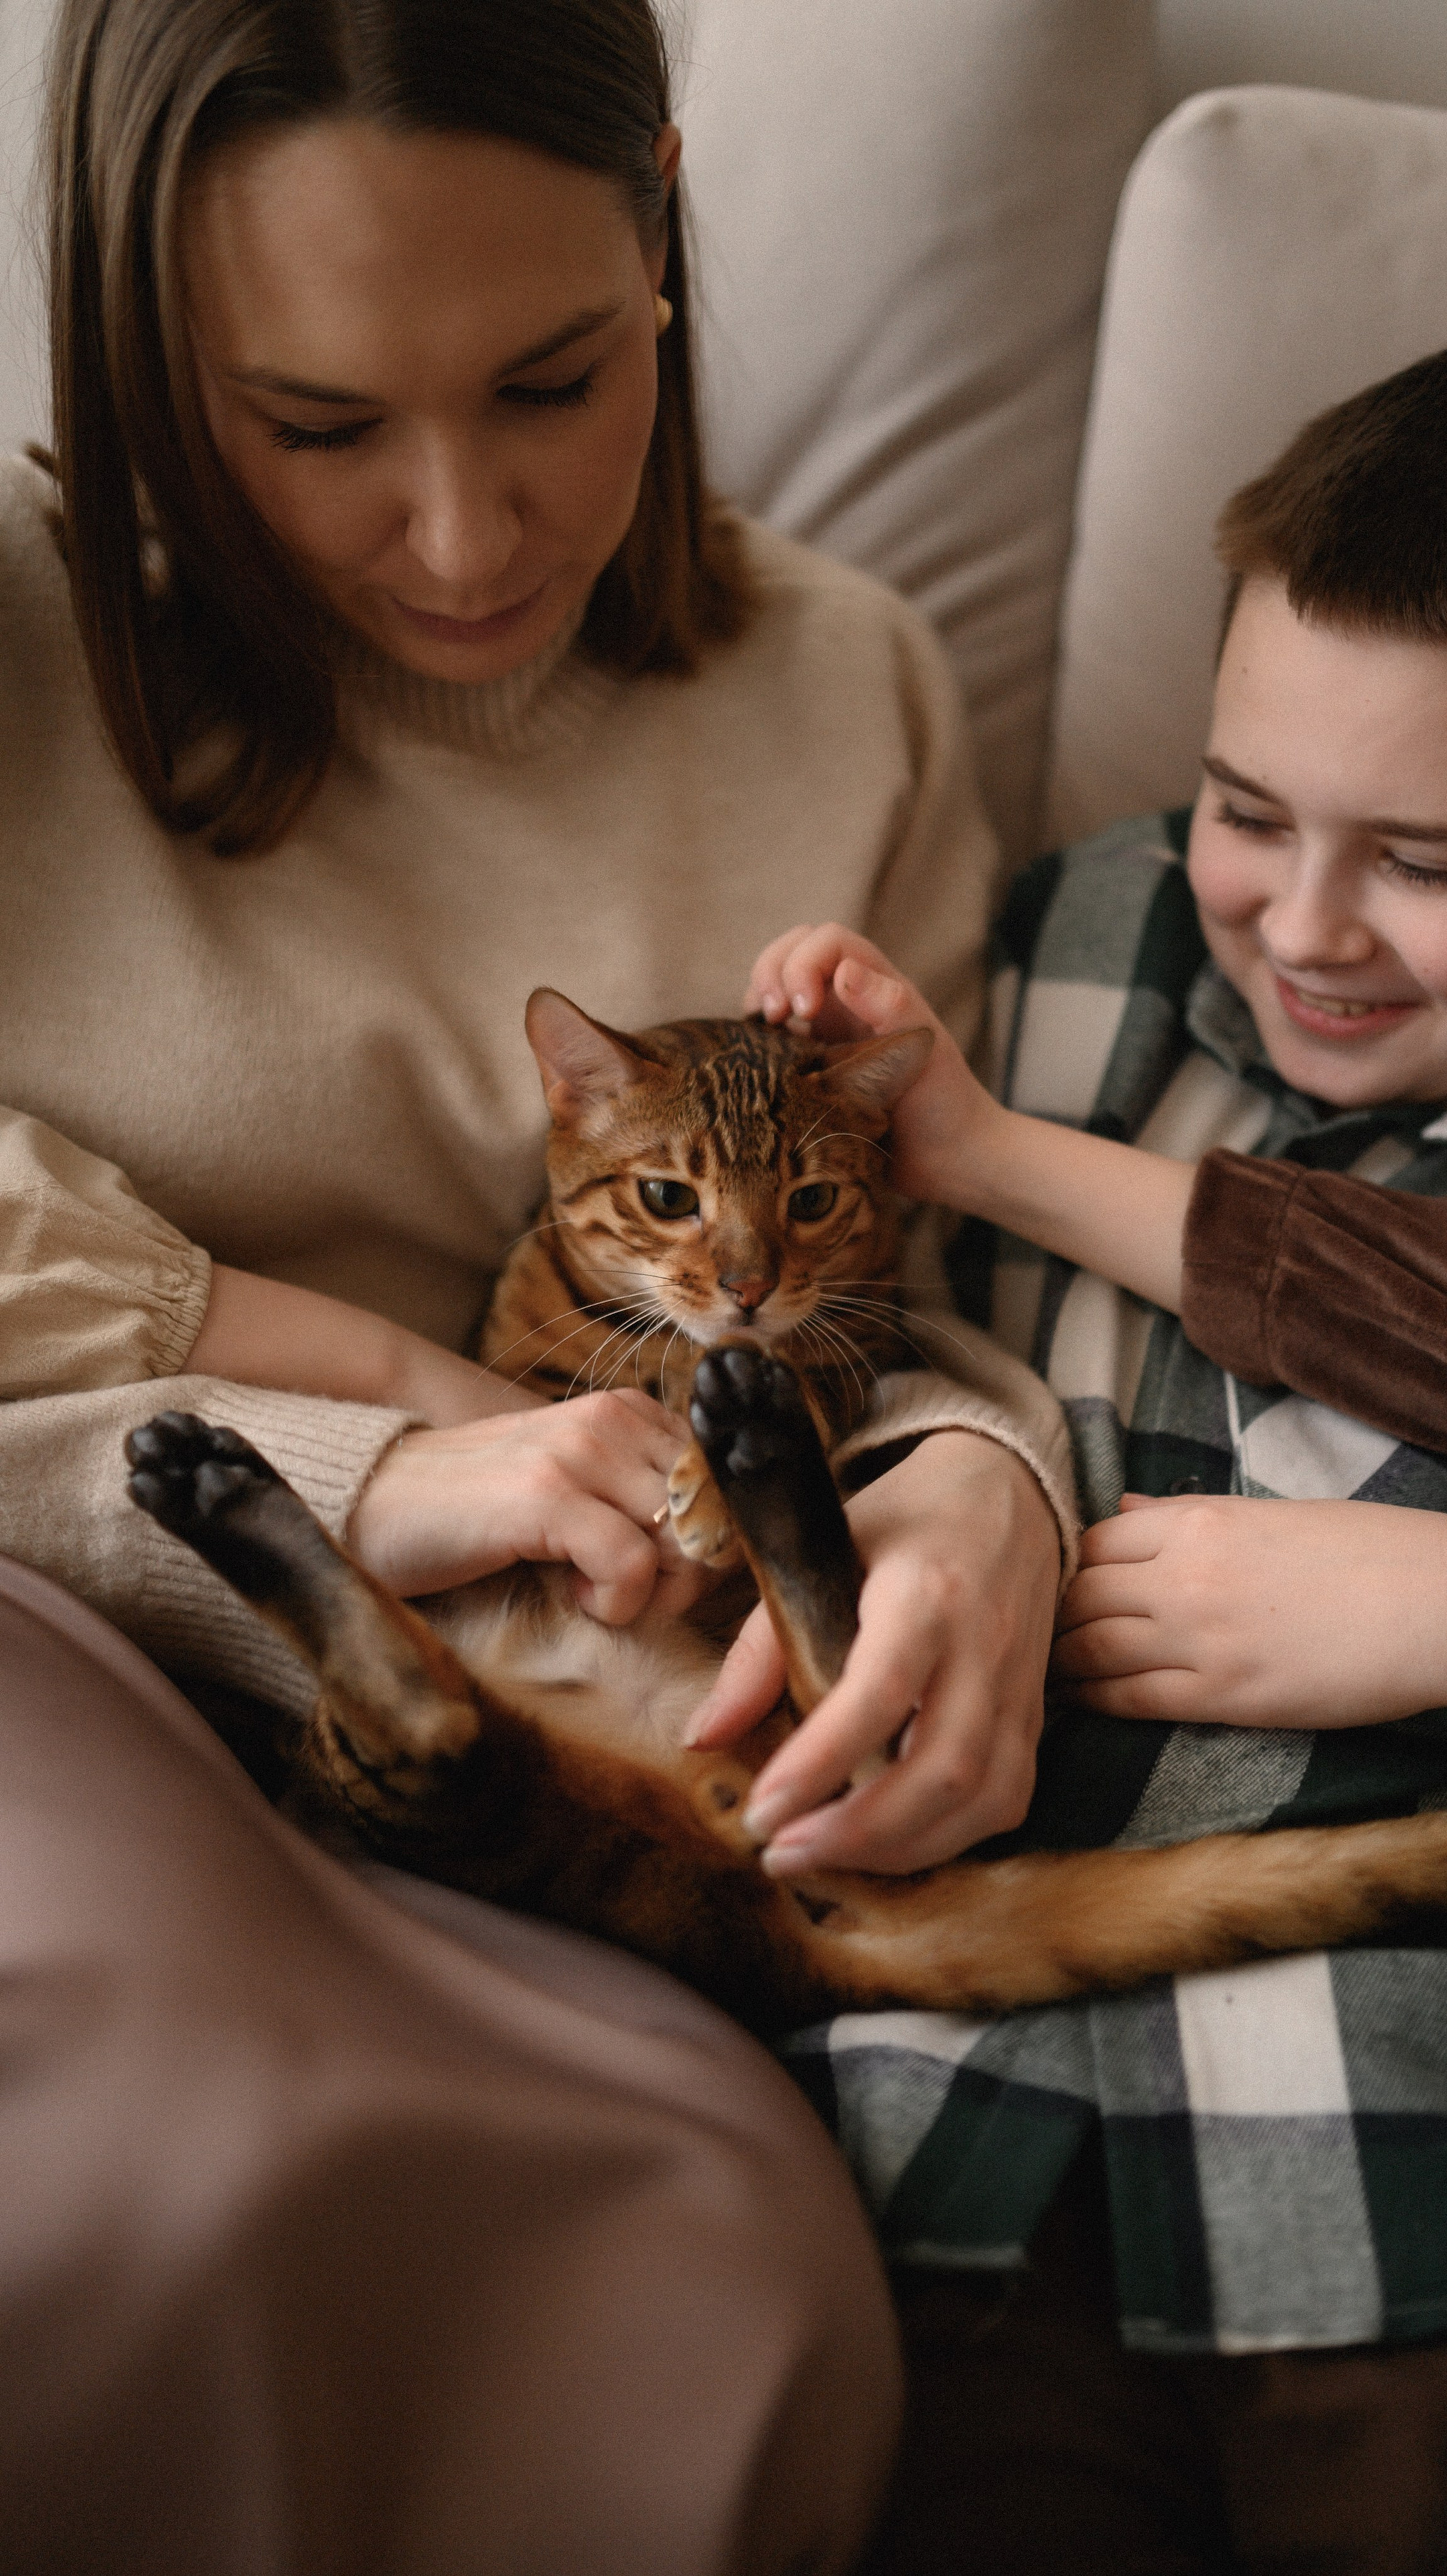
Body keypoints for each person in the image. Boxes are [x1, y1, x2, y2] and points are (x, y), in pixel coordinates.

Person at [0, 0, 1078, 2563]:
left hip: (558, 1731)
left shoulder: (847, 690)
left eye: (553, 381)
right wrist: (383, 1430)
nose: (468, 536)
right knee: (181, 2172)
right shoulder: (14, 639)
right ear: (144, 350)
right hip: (76, 1608)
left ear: (664, 228)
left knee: (723, 2296)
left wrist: (984, 1501)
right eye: (315, 423)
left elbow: (905, 1288)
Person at [742, 332, 1447, 2573]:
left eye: (1428, 860)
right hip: (951, 2129)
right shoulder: (1069, 938)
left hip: (1401, 2158)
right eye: (1250, 811)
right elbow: (865, 1326)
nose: (1302, 920)